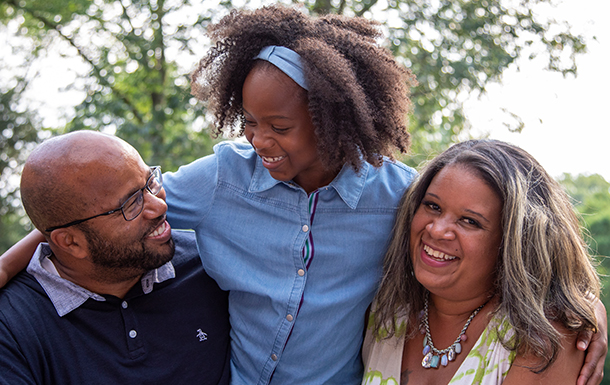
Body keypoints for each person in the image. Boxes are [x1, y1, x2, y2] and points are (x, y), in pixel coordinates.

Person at [0, 6, 606, 385]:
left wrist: (585, 307)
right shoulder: (219, 180)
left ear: (334, 119)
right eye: (249, 122)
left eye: (279, 126)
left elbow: (497, 234)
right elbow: (109, 212)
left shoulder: (405, 199)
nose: (258, 140)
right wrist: (20, 254)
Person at [362, 139, 603, 385]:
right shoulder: (384, 308)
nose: (436, 230)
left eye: (470, 221)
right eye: (433, 206)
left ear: (514, 244)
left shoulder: (544, 339)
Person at [0, 131, 231, 384]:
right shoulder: (12, 325)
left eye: (150, 182)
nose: (160, 206)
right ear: (71, 242)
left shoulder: (211, 266)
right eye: (131, 204)